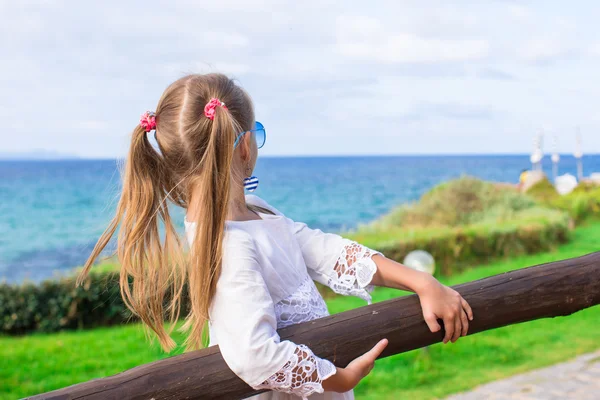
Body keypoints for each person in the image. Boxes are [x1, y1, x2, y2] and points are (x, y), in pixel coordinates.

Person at [80, 73, 473, 400]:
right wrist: (340, 378)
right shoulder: (228, 244)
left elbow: (327, 251)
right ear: (245, 147)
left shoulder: (258, 211)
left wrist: (421, 281)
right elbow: (255, 355)